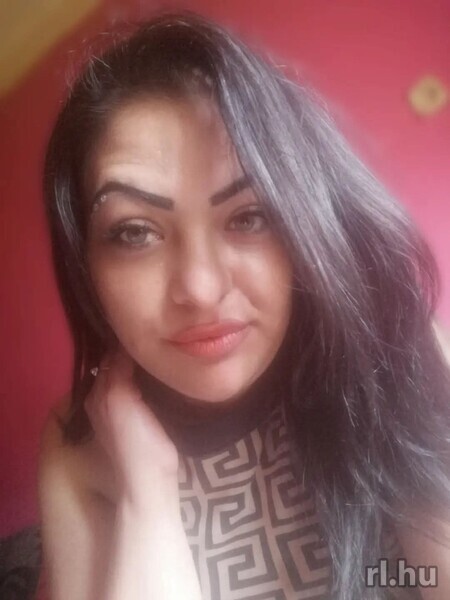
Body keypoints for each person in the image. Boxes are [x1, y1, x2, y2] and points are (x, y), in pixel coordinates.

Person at [37, 10, 450, 600]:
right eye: (134, 232)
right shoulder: (81, 439)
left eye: (250, 217)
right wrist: (147, 497)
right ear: (86, 263)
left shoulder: (392, 349)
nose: (201, 288)